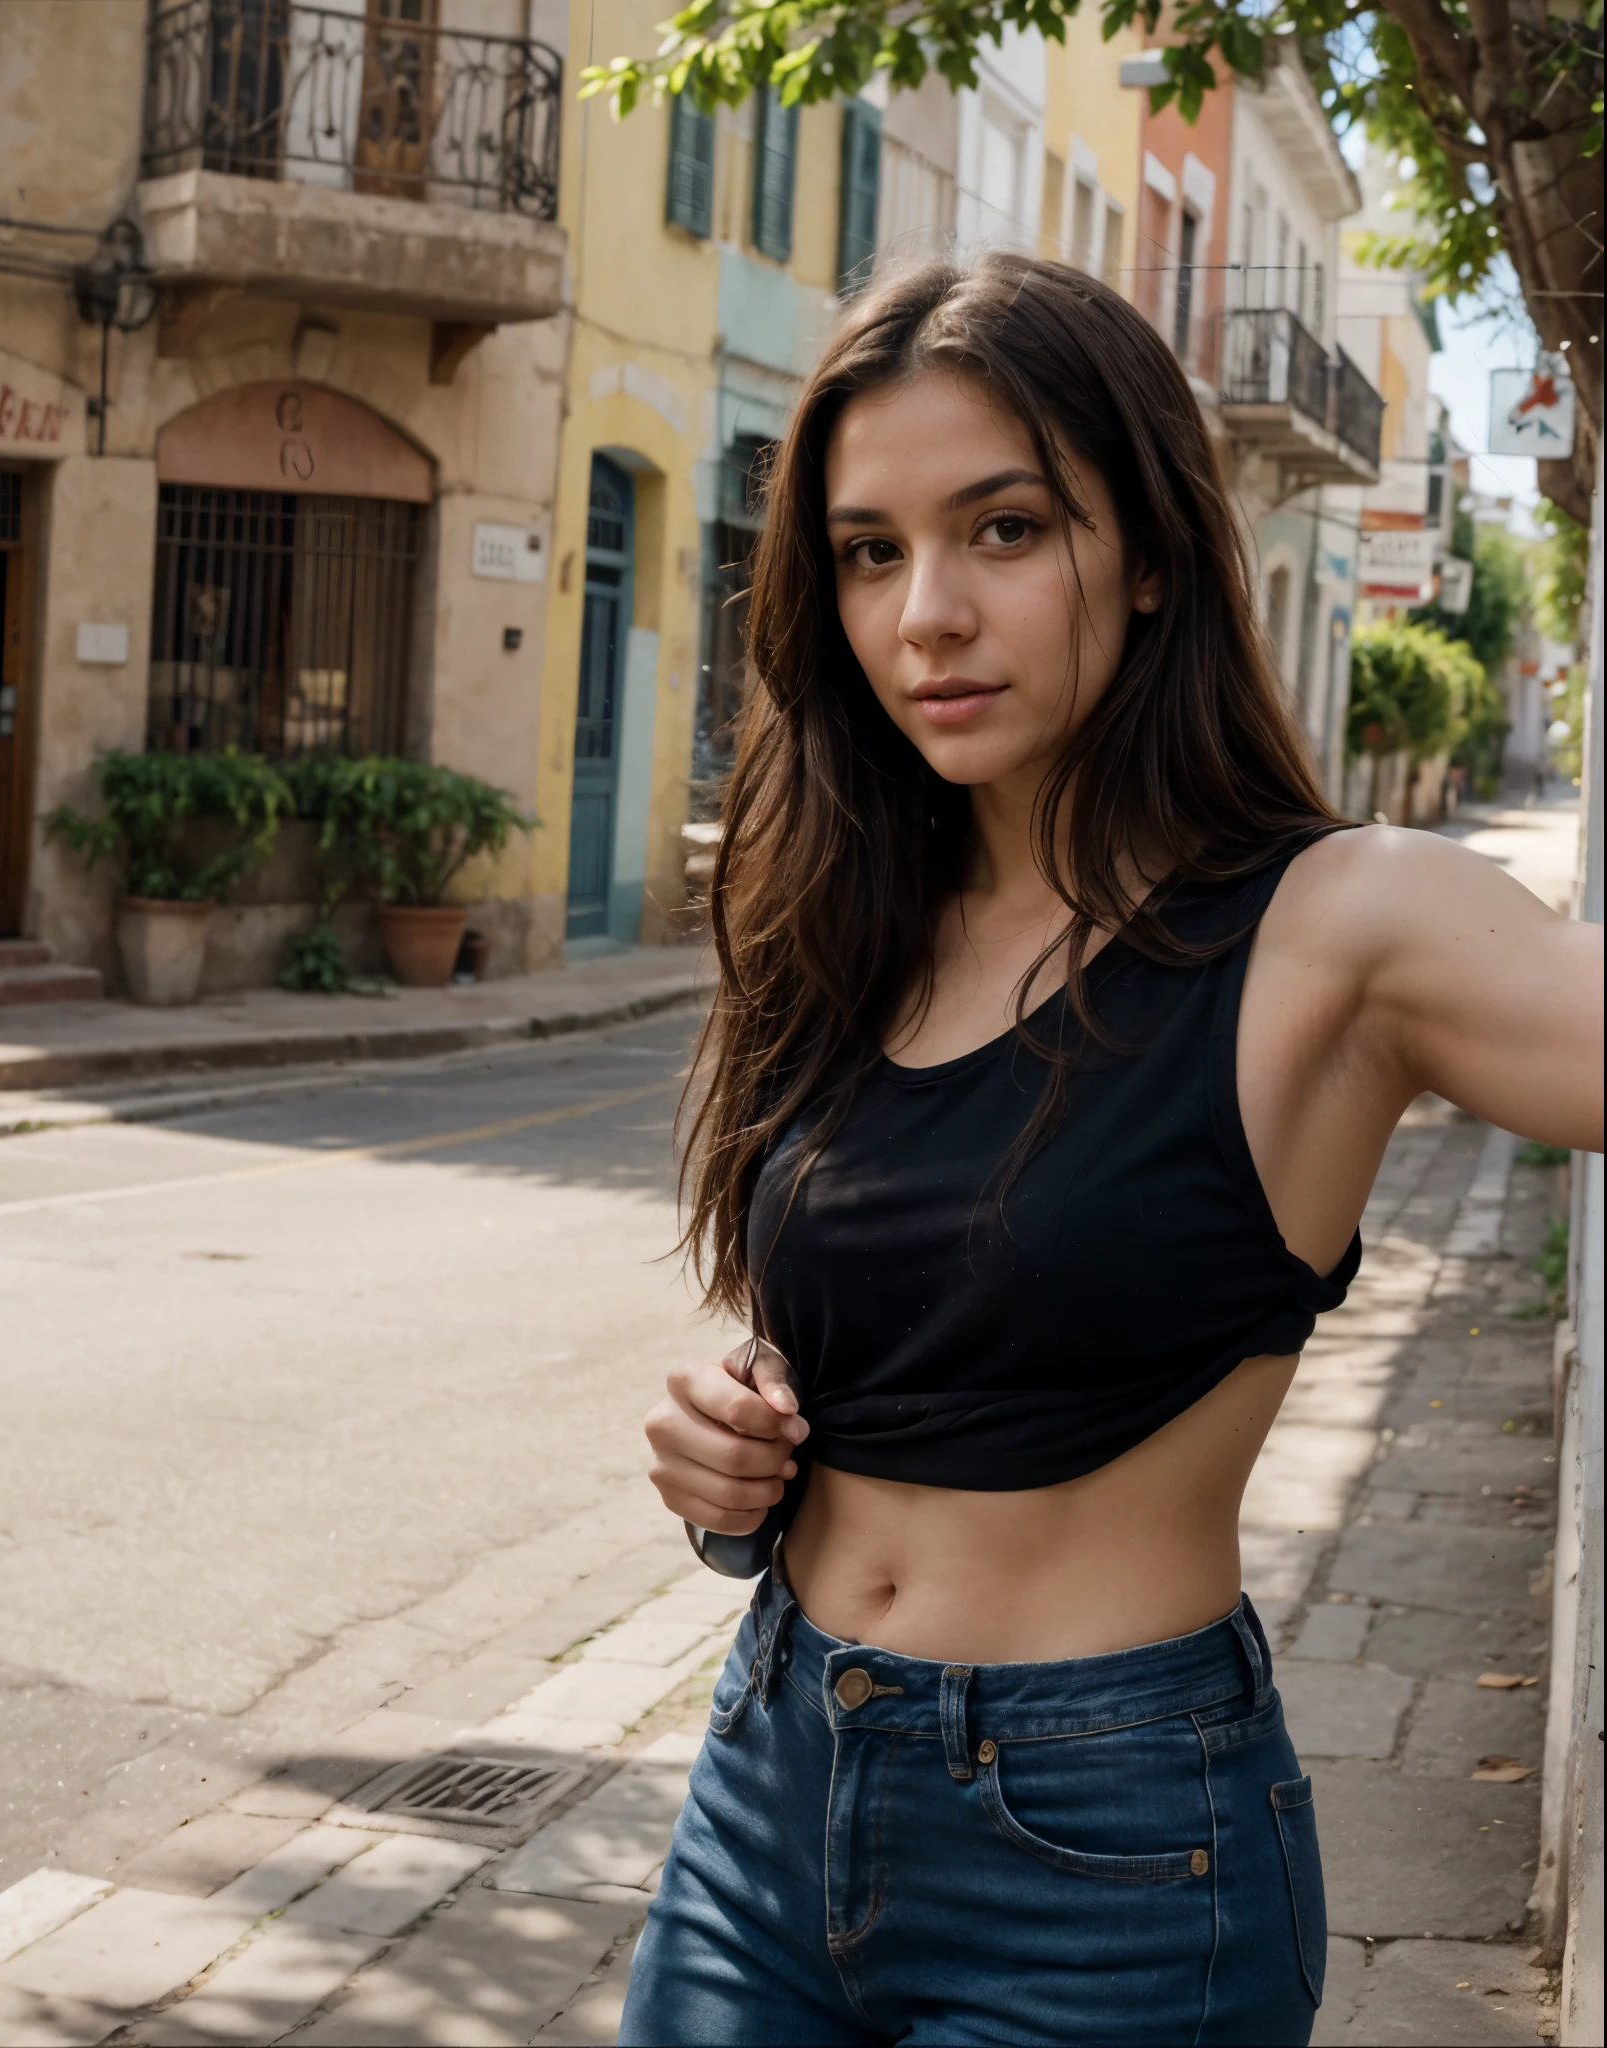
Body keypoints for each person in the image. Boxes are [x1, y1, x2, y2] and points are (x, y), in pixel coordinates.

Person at [619, 256, 1604, 2048]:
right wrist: (734, 1449)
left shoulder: (1335, 928)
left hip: (1099, 1860)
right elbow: (918, 1326)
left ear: (1148, 551)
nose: (926, 612)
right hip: (765, 1796)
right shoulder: (856, 920)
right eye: (867, 549)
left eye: (1002, 528)